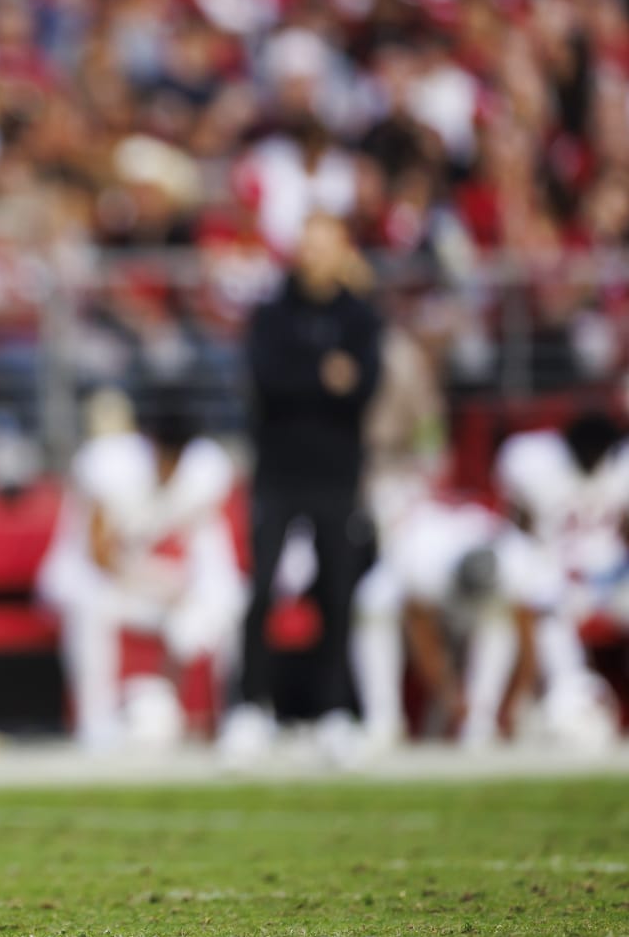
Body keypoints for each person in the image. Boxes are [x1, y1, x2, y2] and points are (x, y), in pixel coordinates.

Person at [223, 212, 381, 764]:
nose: (313, 256)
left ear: (342, 251)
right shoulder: (271, 313)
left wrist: (315, 380)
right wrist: (325, 376)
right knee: (261, 590)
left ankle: (335, 711)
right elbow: (268, 381)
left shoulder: (359, 316)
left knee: (338, 593)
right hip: (279, 472)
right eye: (306, 245)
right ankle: (249, 708)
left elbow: (365, 387)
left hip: (337, 474)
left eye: (324, 245)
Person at [39, 400, 245, 753]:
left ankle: (230, 716)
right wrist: (156, 579)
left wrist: (188, 590)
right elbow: (98, 554)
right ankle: (95, 722)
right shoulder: (108, 464)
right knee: (92, 604)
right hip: (83, 575)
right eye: (166, 454)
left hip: (147, 585)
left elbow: (205, 546)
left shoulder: (205, 472)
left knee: (226, 603)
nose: (171, 466)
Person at [351, 497, 559, 751]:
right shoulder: (425, 559)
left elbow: (528, 639)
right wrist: (451, 699)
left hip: (487, 601)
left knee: (499, 623)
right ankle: (383, 720)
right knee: (373, 603)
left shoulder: (518, 563)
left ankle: (481, 721)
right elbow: (423, 636)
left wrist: (515, 704)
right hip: (406, 593)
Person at [493, 412, 629, 746]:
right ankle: (571, 707)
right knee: (549, 616)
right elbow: (516, 525)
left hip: (612, 578)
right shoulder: (532, 460)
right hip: (559, 580)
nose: (592, 459)